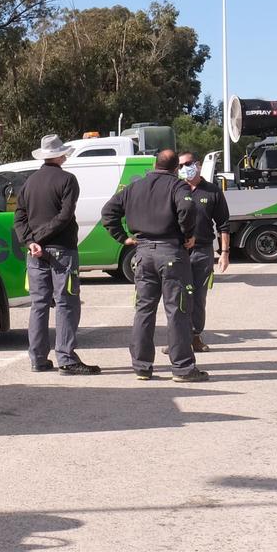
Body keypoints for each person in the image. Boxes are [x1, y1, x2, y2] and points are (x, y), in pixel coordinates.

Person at [100, 148, 205, 382]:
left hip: (142, 253)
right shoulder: (178, 186)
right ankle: (183, 369)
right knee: (177, 310)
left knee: (144, 310)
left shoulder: (134, 186)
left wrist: (123, 237)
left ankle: (142, 366)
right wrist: (188, 234)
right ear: (176, 168)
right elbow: (187, 209)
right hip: (171, 253)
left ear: (155, 164)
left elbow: (108, 212)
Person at [14, 134, 98, 375]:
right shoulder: (68, 180)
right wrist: (39, 239)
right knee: (66, 303)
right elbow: (64, 216)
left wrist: (30, 241)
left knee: (39, 304)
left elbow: (18, 217)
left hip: (35, 254)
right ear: (60, 155)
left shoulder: (29, 182)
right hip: (62, 251)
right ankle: (66, 358)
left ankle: (38, 358)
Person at [176, 152, 231, 353]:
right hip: (178, 251)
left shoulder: (212, 191)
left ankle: (195, 336)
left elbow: (224, 224)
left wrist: (224, 253)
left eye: (187, 164)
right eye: (180, 165)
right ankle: (178, 339)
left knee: (198, 297)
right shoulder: (176, 189)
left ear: (198, 165)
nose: (184, 168)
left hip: (202, 252)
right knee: (178, 296)